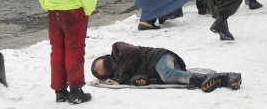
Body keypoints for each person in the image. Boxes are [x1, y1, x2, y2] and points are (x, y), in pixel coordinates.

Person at [91, 42, 242, 93]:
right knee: (171, 75)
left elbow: (134, 51)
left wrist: (124, 74)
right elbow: (136, 76)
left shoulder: (117, 49)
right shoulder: (120, 77)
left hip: (158, 57)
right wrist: (140, 79)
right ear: (107, 75)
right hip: (155, 69)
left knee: (167, 75)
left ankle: (201, 79)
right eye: (104, 69)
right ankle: (227, 78)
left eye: (105, 62)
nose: (107, 64)